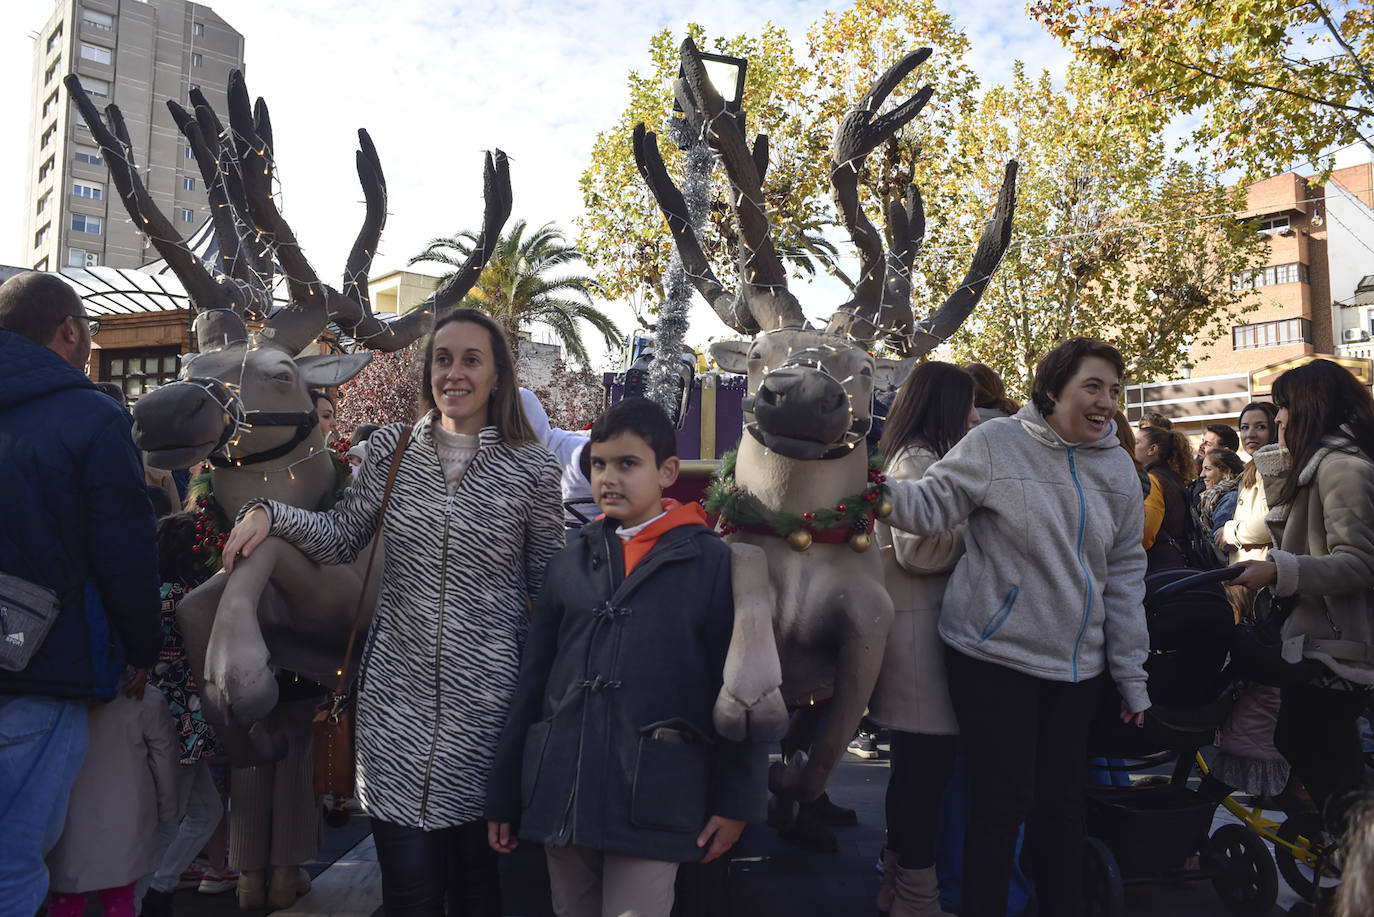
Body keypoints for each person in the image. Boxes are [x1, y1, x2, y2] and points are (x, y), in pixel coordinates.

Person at [223, 308, 564, 916]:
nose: (454, 373)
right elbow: (339, 536)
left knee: (479, 894)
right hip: (394, 715)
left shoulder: (531, 468)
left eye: (471, 359)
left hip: (487, 716)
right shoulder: (391, 450)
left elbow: (549, 590)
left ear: (497, 375)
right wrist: (270, 513)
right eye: (442, 358)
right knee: (407, 895)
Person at [882, 338, 1150, 917]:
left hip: (1078, 667)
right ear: (1054, 390)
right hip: (991, 656)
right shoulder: (996, 442)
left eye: (1114, 389)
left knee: (1062, 807)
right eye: (1092, 387)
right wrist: (869, 491)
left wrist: (1132, 674)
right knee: (1002, 803)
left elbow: (1126, 576)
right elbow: (929, 506)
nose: (1106, 402)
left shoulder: (1121, 469)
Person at [485, 397, 767, 917]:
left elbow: (742, 693)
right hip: (562, 788)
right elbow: (533, 684)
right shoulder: (569, 562)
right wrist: (504, 794)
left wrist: (736, 802)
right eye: (598, 464)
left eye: (627, 464)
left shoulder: (711, 564)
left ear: (668, 472)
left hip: (657, 793)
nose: (608, 478)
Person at [0, 272, 161, 914]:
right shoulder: (92, 417)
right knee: (14, 861)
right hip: (45, 662)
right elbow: (124, 550)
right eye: (89, 330)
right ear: (68, 330)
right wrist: (141, 646)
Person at [1232, 359, 1374, 847]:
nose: (1279, 422)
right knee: (1311, 748)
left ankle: (1357, 869)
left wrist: (1279, 570)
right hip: (1318, 641)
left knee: (1330, 765)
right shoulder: (1317, 467)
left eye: (1284, 410)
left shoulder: (1342, 468)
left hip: (1339, 647)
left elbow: (1359, 564)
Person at [870, 362, 978, 917]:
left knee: (914, 772)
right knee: (923, 777)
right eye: (968, 404)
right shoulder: (918, 459)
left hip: (920, 637)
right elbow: (919, 549)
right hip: (921, 641)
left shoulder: (915, 454)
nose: (976, 415)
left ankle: (900, 888)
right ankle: (917, 897)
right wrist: (983, 522)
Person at [140, 513, 229, 917]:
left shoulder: (150, 593)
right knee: (177, 812)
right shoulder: (196, 597)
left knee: (200, 810)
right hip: (187, 717)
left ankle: (158, 886)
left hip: (157, 709)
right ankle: (149, 890)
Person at [45, 666, 180, 917]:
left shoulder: (52, 693)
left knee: (66, 899)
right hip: (127, 824)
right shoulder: (144, 699)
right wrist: (169, 812)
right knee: (120, 899)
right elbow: (166, 763)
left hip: (65, 822)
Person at [1135, 425, 1196, 571]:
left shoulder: (1152, 480)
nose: (1131, 446)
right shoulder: (1172, 477)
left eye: (1136, 442)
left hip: (1159, 567)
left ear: (1152, 449)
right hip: (1176, 562)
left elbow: (1145, 534)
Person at [1197, 447, 1245, 539]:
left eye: (1207, 469)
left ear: (1226, 472)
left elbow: (1220, 541)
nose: (1202, 475)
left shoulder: (1229, 498)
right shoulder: (1218, 496)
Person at [1190, 422, 1240, 507]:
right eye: (1203, 441)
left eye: (1208, 444)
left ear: (1225, 451)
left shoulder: (1229, 497)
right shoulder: (1195, 475)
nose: (1201, 445)